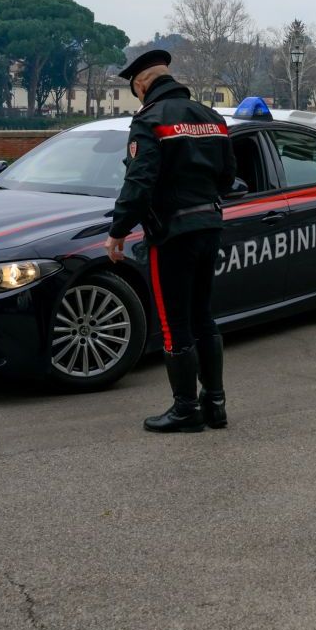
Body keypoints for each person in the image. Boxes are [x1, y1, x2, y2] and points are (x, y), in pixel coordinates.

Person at [105, 49, 235, 433]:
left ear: (142, 84)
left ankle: (185, 409)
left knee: (173, 321)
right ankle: (215, 405)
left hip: (172, 235)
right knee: (203, 317)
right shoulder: (212, 117)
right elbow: (228, 176)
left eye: (136, 91)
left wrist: (118, 230)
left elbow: (139, 181)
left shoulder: (150, 120)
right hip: (209, 227)